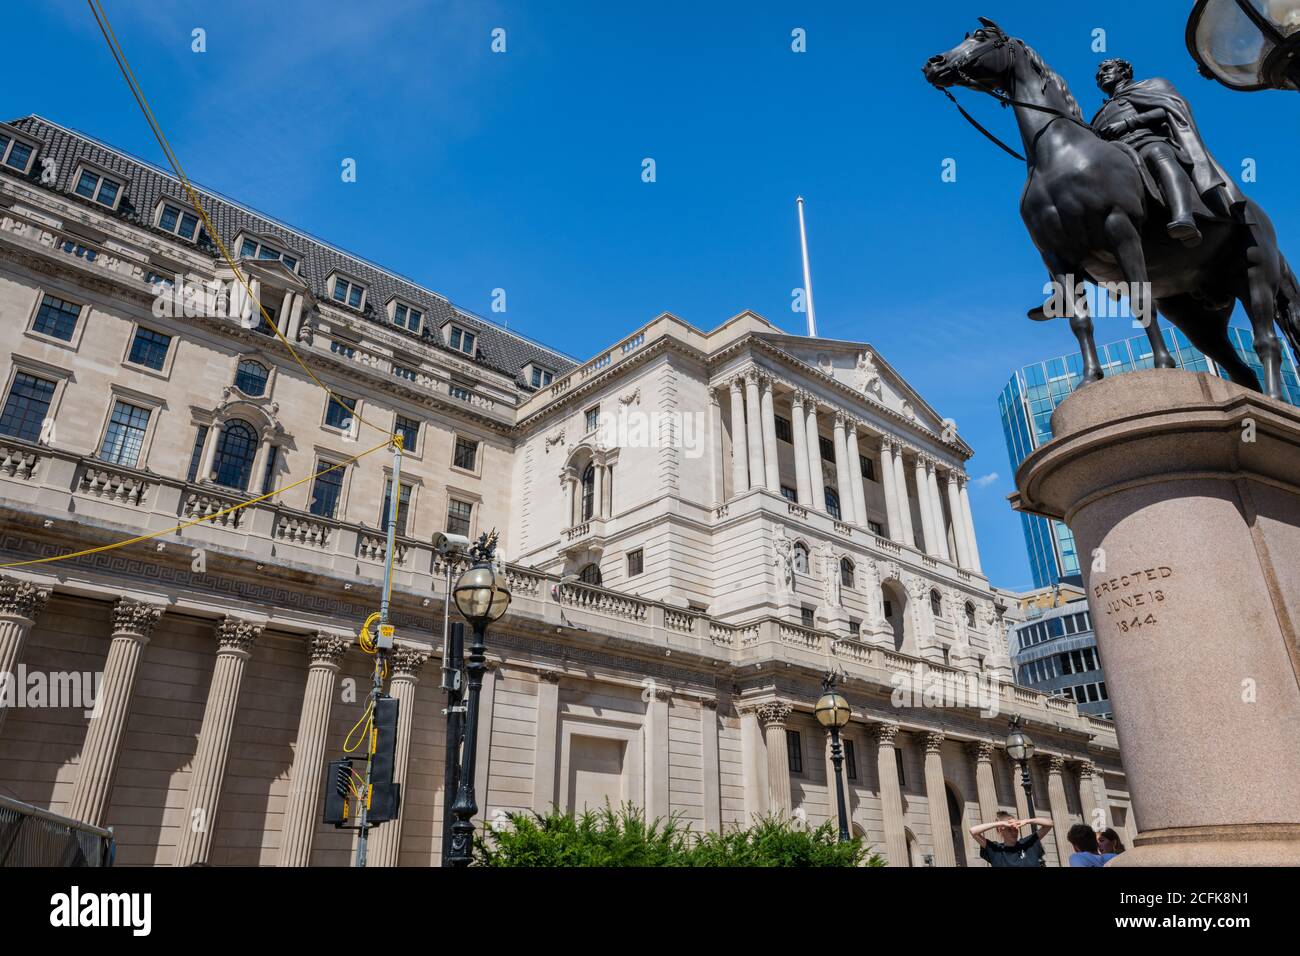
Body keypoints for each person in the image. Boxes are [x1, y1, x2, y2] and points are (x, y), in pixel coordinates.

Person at [1090, 58, 1247, 249]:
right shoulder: (1100, 112)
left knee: (1158, 153)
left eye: (1107, 69)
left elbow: (1172, 108)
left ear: (1124, 72)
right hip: (1115, 154)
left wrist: (1128, 123)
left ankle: (1184, 217)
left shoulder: (1151, 85)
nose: (1101, 76)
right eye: (1098, 76)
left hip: (1146, 140)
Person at [969, 810, 1053, 867]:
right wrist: (1001, 823)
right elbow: (973, 831)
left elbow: (1049, 824)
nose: (1014, 832)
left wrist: (1027, 821)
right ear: (1000, 829)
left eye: (1015, 829)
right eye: (1009, 829)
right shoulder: (996, 850)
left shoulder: (1027, 844)